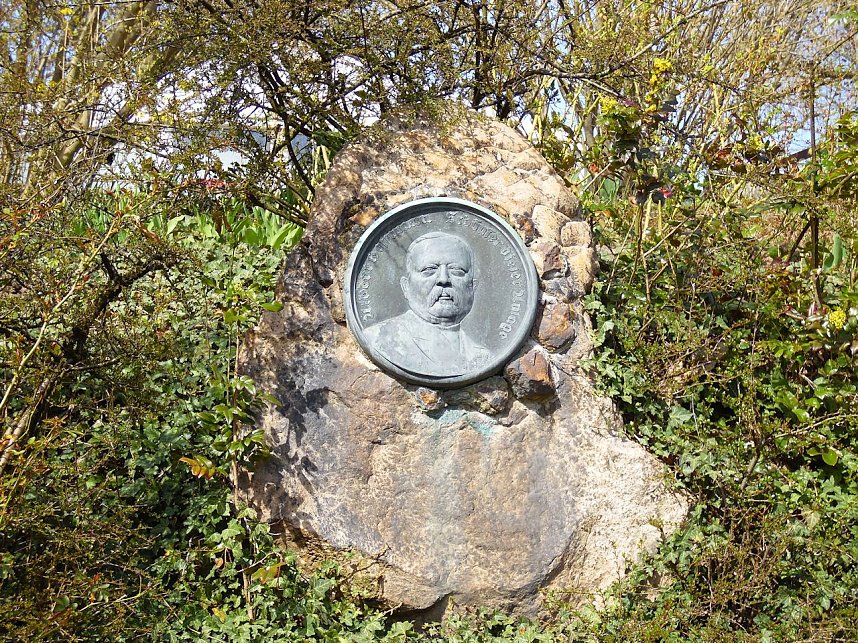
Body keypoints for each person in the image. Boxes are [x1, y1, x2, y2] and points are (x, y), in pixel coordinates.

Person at [364, 232, 490, 377]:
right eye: (429, 270)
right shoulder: (379, 339)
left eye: (457, 270)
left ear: (472, 288)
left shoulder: (483, 356)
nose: (443, 279)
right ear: (406, 287)